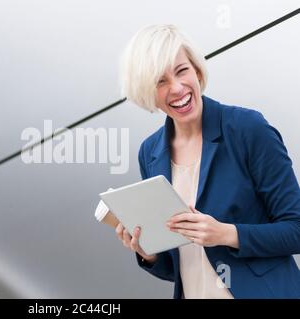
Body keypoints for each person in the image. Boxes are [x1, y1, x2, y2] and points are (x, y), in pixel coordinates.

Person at [99, 24, 300, 298]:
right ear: (146, 90)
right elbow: (182, 265)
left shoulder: (247, 129)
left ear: (196, 69)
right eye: (161, 81)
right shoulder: (150, 152)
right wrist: (148, 253)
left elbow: (296, 228)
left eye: (182, 71)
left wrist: (226, 234)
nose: (177, 88)